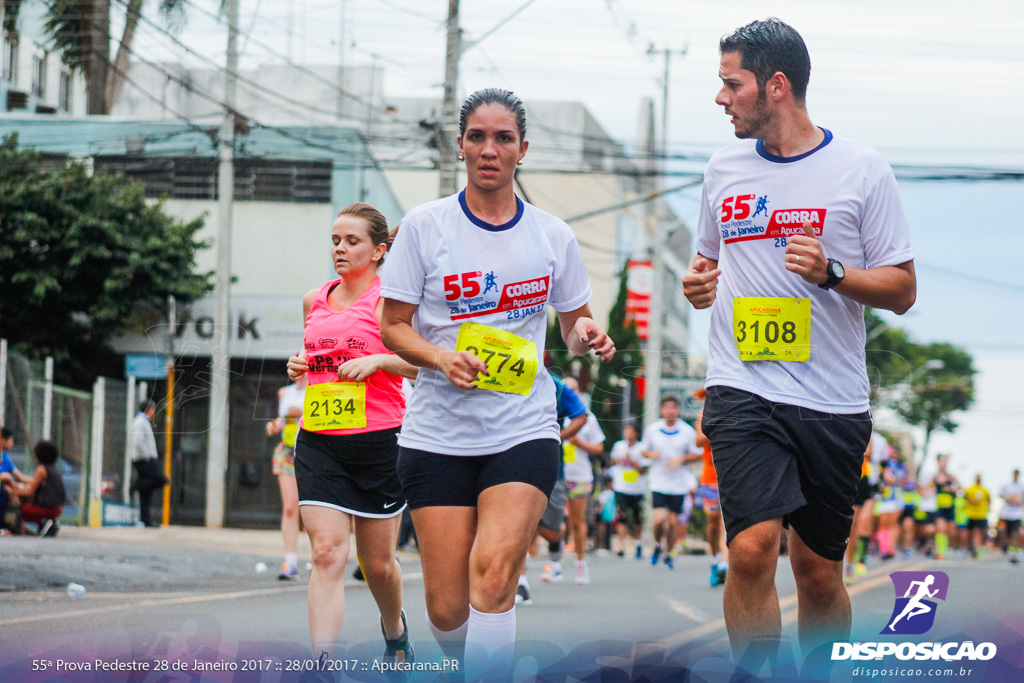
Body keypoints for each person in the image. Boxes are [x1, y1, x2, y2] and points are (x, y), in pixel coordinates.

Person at [683, 18, 916, 658]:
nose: (721, 97)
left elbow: (902, 290)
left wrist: (833, 272)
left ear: (776, 86)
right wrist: (697, 284)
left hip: (832, 399)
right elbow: (706, 263)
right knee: (753, 548)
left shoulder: (862, 171)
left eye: (732, 84)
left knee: (817, 573)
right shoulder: (722, 169)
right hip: (742, 385)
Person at [379, 88, 615, 678]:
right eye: (478, 136)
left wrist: (591, 334)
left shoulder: (553, 236)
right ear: (460, 146)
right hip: (438, 435)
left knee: (494, 571)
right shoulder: (424, 227)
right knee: (447, 610)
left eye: (503, 138)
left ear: (522, 150)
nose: (490, 149)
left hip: (523, 428)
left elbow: (572, 325)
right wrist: (440, 358)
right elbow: (392, 327)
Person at [286, 202, 418, 665]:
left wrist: (381, 361)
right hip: (319, 438)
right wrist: (298, 364)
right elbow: (315, 358)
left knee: (377, 564)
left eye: (352, 241)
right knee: (326, 553)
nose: (340, 249)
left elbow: (427, 367)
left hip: (379, 444)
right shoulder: (314, 299)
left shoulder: (391, 304)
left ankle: (395, 630)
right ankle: (323, 665)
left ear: (380, 250)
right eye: (335, 241)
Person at [642, 395, 701, 571]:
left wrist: (682, 459)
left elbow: (698, 454)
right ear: (662, 410)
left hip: (678, 483)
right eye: (667, 407)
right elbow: (643, 450)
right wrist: (651, 455)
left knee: (674, 522)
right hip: (658, 482)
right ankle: (657, 545)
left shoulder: (687, 431)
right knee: (659, 520)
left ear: (678, 410)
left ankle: (668, 553)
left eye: (673, 407)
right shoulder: (653, 429)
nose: (670, 411)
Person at [561, 376, 606, 585]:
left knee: (576, 522)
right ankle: (553, 563)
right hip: (554, 473)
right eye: (566, 387)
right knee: (544, 521)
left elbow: (599, 448)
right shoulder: (550, 410)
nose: (570, 390)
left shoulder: (588, 418)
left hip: (579, 476)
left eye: (574, 388)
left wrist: (578, 441)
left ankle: (580, 564)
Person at [265, 376, 307, 580]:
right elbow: (281, 420)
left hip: (310, 451)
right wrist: (274, 426)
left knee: (310, 512)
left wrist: (302, 414)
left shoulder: (318, 389)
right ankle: (290, 562)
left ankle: (321, 560)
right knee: (290, 507)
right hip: (287, 452)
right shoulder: (285, 392)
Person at [694, 389, 728, 587]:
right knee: (713, 525)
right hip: (710, 478)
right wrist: (717, 425)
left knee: (728, 524)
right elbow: (699, 440)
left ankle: (725, 563)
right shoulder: (703, 415)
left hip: (731, 477)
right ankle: (715, 558)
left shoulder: (735, 411)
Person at [609, 423, 650, 560]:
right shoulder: (619, 446)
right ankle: (621, 545)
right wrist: (619, 460)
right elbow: (612, 462)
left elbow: (643, 470)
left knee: (637, 518)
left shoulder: (642, 448)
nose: (628, 433)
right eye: (626, 430)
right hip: (621, 487)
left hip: (637, 488)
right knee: (622, 516)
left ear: (636, 433)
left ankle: (638, 543)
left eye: (631, 430)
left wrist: (632, 461)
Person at [129, 400, 168, 528]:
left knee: (147, 491)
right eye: (153, 408)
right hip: (143, 459)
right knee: (161, 479)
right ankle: (136, 485)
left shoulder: (143, 422)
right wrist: (148, 455)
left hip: (144, 458)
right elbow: (137, 442)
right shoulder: (140, 422)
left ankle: (146, 520)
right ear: (149, 410)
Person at [17, 440, 66, 536]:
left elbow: (29, 493)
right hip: (58, 508)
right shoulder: (55, 470)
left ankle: (42, 522)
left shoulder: (41, 470)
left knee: (18, 510)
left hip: (48, 508)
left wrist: (15, 491)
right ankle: (46, 523)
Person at [930, 454, 960, 560]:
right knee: (940, 528)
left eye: (944, 462)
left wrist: (952, 489)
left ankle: (945, 548)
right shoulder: (934, 477)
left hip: (950, 505)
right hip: (939, 506)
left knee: (950, 530)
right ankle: (940, 552)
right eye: (941, 462)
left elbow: (959, 488)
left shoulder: (951, 477)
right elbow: (927, 489)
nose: (942, 464)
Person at [998, 468, 1023, 563]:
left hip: (1017, 513)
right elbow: (1000, 494)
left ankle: (1013, 551)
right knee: (1006, 533)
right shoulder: (1007, 485)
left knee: (1015, 532)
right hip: (1007, 513)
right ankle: (1005, 545)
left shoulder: (1021, 486)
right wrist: (1008, 499)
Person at [963, 474, 991, 559]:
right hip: (971, 514)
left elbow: (989, 500)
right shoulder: (970, 489)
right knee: (970, 533)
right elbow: (965, 497)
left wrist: (988, 509)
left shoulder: (984, 490)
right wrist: (972, 500)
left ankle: (976, 548)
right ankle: (970, 546)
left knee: (978, 532)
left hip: (981, 515)